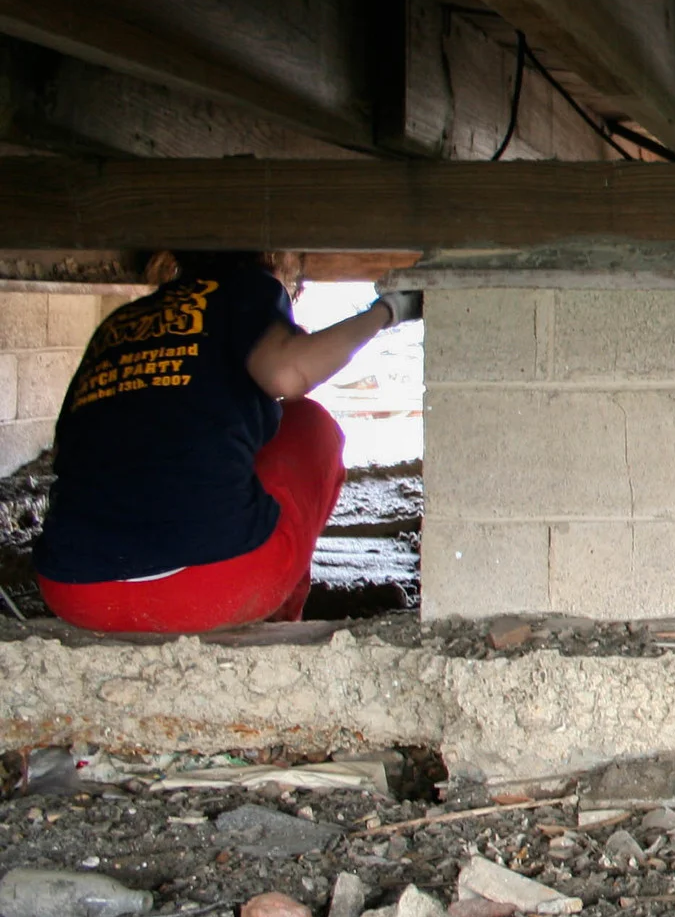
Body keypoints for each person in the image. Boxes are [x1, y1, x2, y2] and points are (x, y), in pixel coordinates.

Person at [34, 251, 421, 634]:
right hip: (208, 589)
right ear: (274, 258)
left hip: (74, 589)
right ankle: (280, 619)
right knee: (309, 423)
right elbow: (288, 374)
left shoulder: (120, 322)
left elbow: (68, 445)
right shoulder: (247, 290)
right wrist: (388, 311)